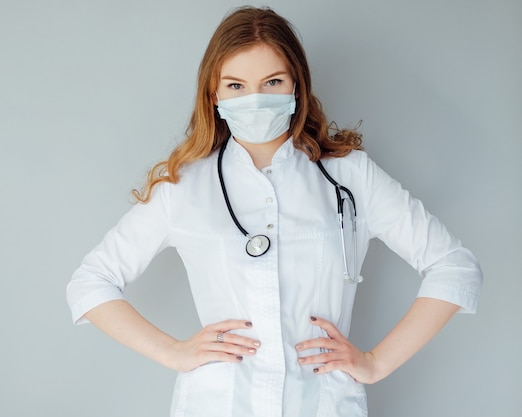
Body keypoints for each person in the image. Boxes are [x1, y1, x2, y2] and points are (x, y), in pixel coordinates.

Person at [66, 6, 482, 417]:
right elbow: (90, 283)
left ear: (296, 86)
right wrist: (174, 352)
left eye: (272, 82)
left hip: (322, 403)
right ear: (214, 94)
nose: (255, 100)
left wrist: (375, 362)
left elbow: (454, 266)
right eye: (235, 86)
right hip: (218, 404)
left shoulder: (349, 176)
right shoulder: (186, 187)